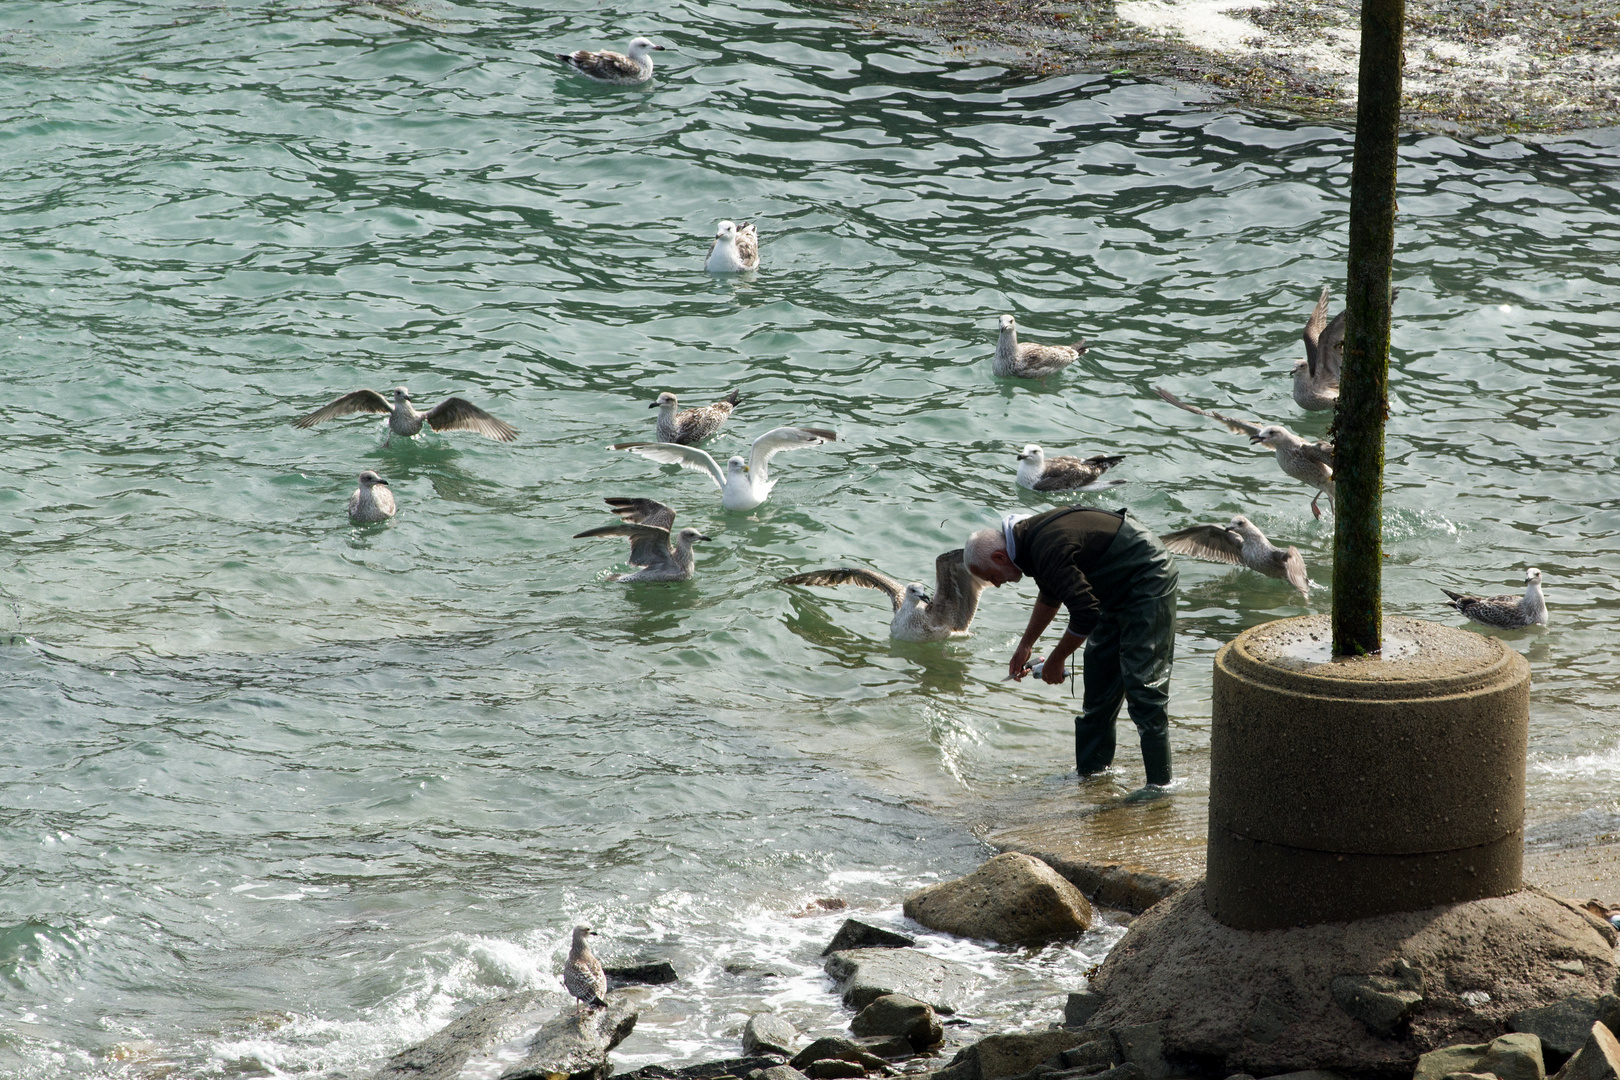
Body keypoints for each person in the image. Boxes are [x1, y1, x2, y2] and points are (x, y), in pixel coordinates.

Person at [964, 506, 1179, 786]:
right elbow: (1051, 593)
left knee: (1144, 688)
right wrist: (1025, 645)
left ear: (999, 557)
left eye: (992, 576)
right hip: (1111, 588)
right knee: (1099, 688)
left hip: (1148, 577)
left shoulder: (1042, 545)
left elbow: (1086, 613)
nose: (997, 584)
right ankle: (1092, 778)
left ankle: (1160, 788)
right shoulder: (1027, 542)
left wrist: (1056, 659)